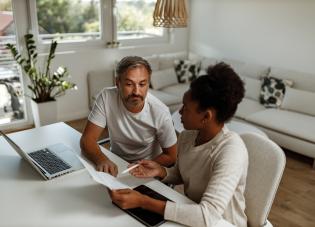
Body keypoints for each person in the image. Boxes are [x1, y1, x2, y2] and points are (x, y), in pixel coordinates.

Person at [109, 62, 248, 227]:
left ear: (206, 117)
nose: (180, 112)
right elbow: (185, 174)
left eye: (186, 108)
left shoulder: (231, 152)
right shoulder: (187, 136)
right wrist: (161, 171)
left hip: (222, 223)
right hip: (191, 215)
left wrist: (144, 202)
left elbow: (207, 216)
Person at [80, 56, 177, 176]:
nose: (136, 92)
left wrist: (142, 167)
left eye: (142, 84)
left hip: (146, 169)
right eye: (129, 84)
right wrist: (102, 160)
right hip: (114, 163)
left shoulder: (161, 112)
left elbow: (171, 156)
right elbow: (87, 140)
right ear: (117, 83)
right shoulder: (106, 97)